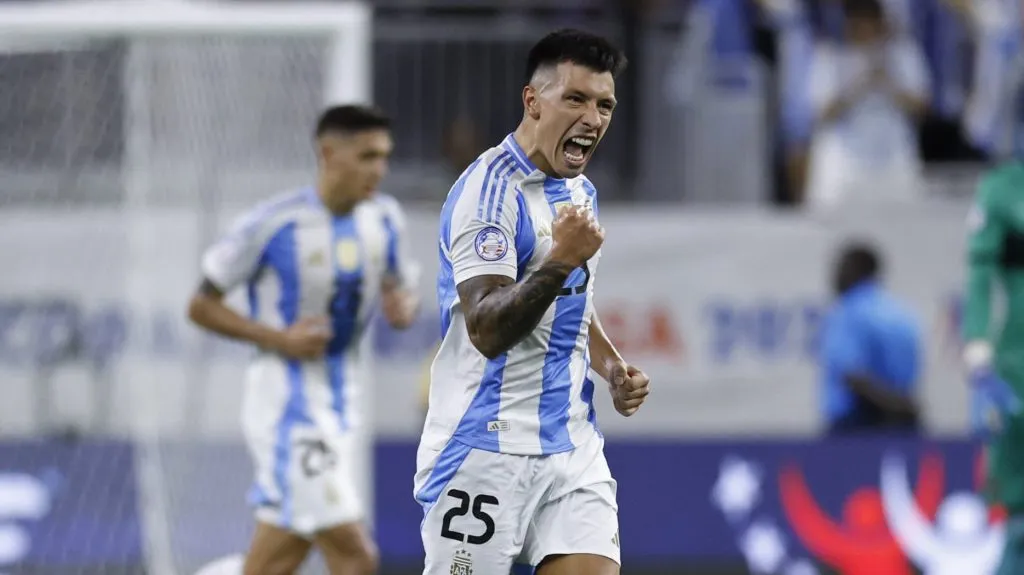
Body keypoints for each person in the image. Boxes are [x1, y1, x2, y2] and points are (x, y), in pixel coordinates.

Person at [414, 29, 651, 575]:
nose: (592, 118)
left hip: (570, 445)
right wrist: (560, 260)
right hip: (485, 450)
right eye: (575, 99)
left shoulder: (579, 191)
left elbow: (571, 304)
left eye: (604, 105)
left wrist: (611, 366)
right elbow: (487, 328)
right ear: (532, 100)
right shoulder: (488, 193)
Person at [187, 105, 420, 575]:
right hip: (286, 407)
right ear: (328, 153)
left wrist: (403, 307)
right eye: (367, 156)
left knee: (280, 555)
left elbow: (402, 289)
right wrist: (277, 337)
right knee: (355, 553)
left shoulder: (385, 219)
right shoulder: (274, 223)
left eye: (384, 157)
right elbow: (200, 305)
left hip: (342, 405)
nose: (379, 169)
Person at [963, 118, 1024, 575]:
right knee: (1017, 515)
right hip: (1018, 365)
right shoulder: (1003, 189)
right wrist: (979, 359)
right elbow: (979, 278)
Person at [805, 0, 930, 209]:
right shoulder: (830, 55)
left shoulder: (903, 53)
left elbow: (922, 107)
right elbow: (821, 113)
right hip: (845, 164)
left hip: (893, 157)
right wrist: (857, 86)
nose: (864, 30)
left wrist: (887, 82)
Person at [819, 242, 922, 435]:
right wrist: (902, 407)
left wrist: (890, 405)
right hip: (901, 423)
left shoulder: (848, 311)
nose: (834, 276)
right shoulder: (901, 312)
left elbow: (852, 376)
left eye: (841, 267)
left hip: (854, 426)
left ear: (859, 270)